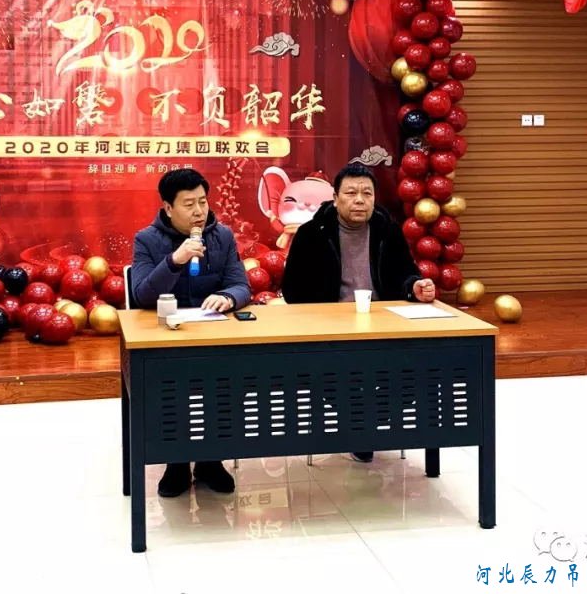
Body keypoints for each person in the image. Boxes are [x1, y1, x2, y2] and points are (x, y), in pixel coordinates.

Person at [281, 163, 437, 463]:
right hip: (331, 332)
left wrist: (415, 287)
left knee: (420, 368)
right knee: (329, 372)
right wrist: (328, 312)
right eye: (351, 193)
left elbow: (405, 273)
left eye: (367, 193)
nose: (359, 200)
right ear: (335, 198)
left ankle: (363, 425)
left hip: (383, 328)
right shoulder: (312, 234)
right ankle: (363, 427)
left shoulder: (387, 230)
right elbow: (292, 290)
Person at [131, 168, 252, 497]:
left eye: (203, 201)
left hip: (213, 336)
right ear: (168, 208)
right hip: (167, 339)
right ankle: (176, 462)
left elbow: (241, 285)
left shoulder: (222, 236)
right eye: (189, 204)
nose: (199, 211)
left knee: (228, 384)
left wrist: (228, 297)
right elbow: (142, 295)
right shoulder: (147, 240)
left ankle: (211, 460)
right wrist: (175, 260)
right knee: (171, 389)